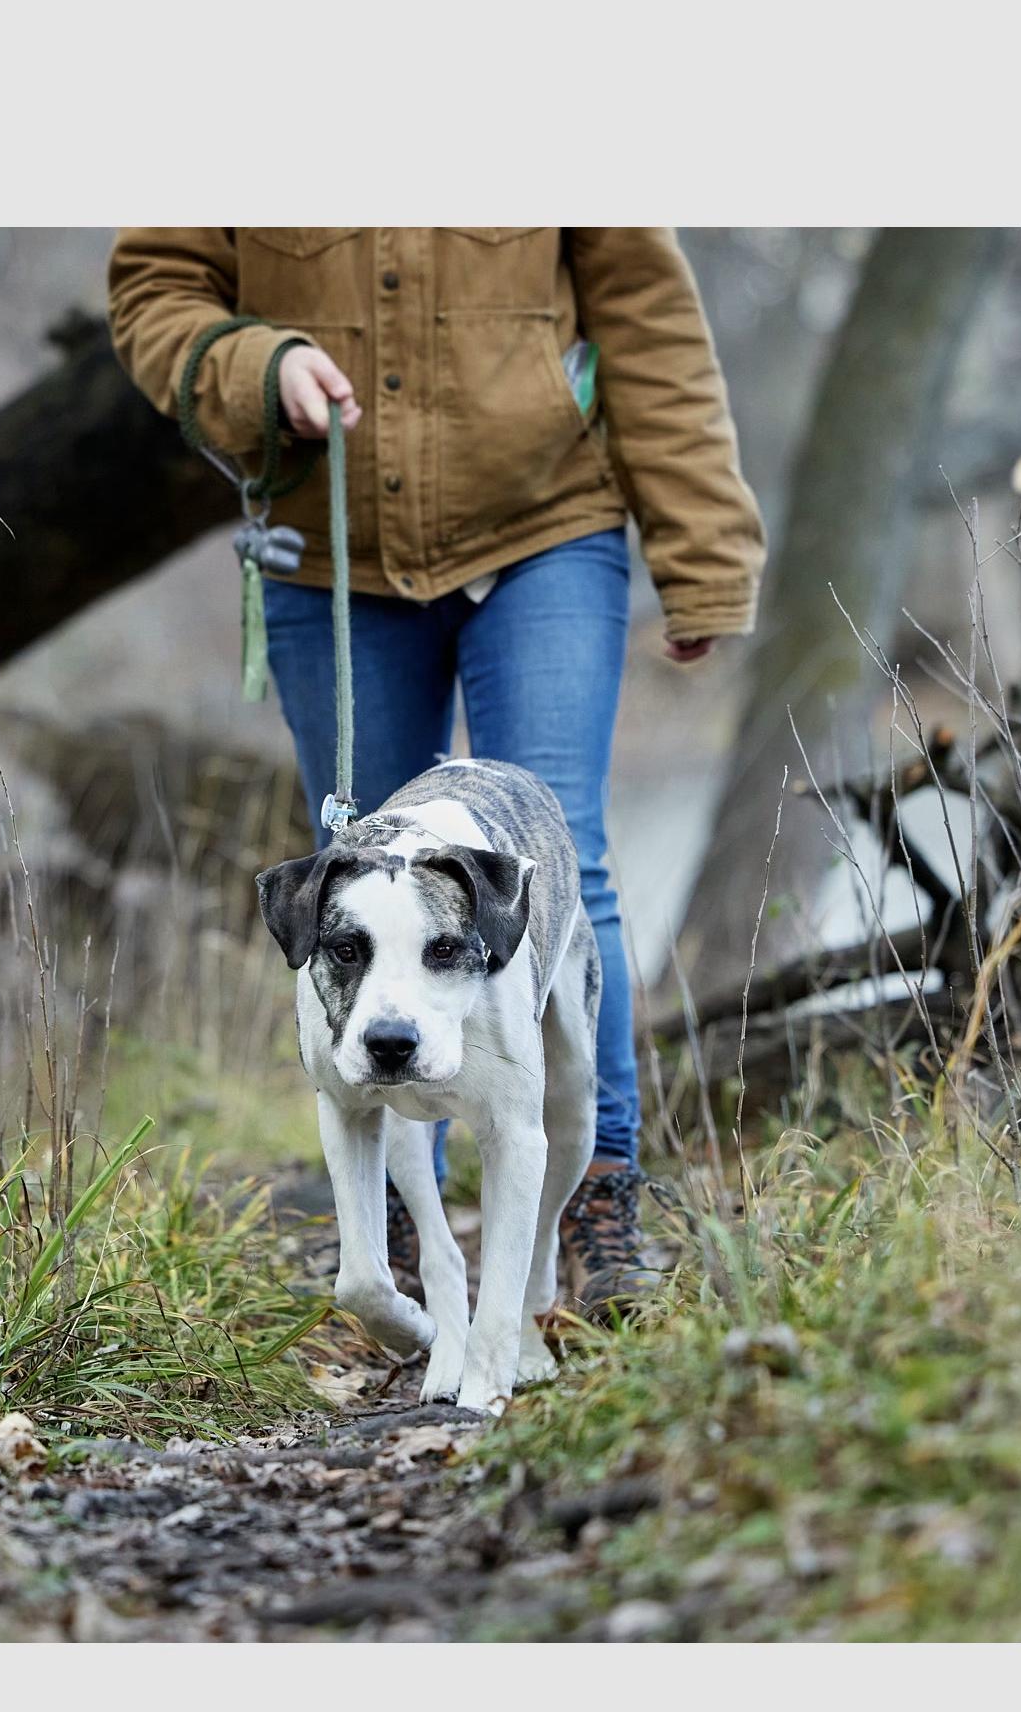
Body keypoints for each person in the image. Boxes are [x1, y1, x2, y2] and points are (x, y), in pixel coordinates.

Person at [107, 228, 765, 1308]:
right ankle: (404, 1233)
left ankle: (595, 1186)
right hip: (330, 541)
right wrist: (254, 366)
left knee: (554, 862)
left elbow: (646, 315)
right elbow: (155, 289)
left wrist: (700, 549)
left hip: (546, 523)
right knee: (357, 860)